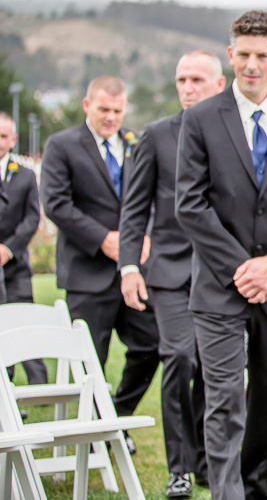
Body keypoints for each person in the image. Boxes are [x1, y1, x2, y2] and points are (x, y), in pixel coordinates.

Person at [174, 11, 267, 500]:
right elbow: (189, 204)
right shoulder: (199, 119)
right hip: (219, 288)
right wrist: (242, 269)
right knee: (224, 400)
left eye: (262, 56)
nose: (252, 65)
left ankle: (256, 491)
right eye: (244, 55)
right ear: (231, 55)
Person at [118, 51, 224, 496]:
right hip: (170, 273)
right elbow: (134, 207)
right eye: (181, 79)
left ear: (219, 84)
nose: (187, 87)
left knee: (212, 366)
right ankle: (179, 467)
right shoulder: (156, 135)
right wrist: (129, 265)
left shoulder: (233, 133)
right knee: (179, 358)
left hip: (221, 272)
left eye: (196, 79)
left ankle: (206, 460)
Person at [40, 76, 160, 443]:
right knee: (91, 357)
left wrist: (144, 235)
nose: (111, 117)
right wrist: (103, 239)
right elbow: (56, 203)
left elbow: (150, 197)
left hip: (133, 272)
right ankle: (92, 435)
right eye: (104, 109)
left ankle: (116, 418)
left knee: (153, 343)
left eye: (117, 110)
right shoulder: (62, 145)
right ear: (86, 105)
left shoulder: (135, 144)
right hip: (87, 271)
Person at [0, 113, 43, 383]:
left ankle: (40, 387)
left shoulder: (25, 175)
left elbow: (32, 218)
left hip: (16, 265)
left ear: (13, 139)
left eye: (3, 136)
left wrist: (8, 249)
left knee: (24, 325)